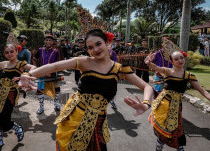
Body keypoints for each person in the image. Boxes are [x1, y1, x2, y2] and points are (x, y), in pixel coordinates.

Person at [19, 29, 154, 151]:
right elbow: (53, 66)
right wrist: (28, 75)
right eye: (90, 47)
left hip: (99, 121)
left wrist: (146, 104)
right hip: (75, 117)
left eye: (98, 44)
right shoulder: (84, 62)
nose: (95, 49)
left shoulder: (120, 69)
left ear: (107, 43)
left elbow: (147, 86)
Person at [127, 50, 210, 151]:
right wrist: (149, 63)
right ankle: (162, 145)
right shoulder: (168, 71)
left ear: (184, 58)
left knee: (175, 130)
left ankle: (169, 146)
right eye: (176, 59)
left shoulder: (189, 75)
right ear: (172, 61)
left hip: (176, 107)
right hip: (163, 105)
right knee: (164, 129)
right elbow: (156, 68)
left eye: (181, 58)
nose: (180, 60)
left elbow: (203, 91)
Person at [0, 43, 36, 151]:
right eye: (7, 52)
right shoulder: (4, 63)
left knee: (4, 118)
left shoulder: (21, 64)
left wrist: (25, 75)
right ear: (4, 54)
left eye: (12, 51)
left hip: (10, 94)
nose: (9, 54)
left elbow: (34, 67)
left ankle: (18, 128)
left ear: (16, 52)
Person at [34, 34, 62, 114]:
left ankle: (56, 104)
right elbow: (34, 58)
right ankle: (41, 107)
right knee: (40, 90)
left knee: (57, 90)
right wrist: (36, 69)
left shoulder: (56, 51)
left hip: (52, 74)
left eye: (50, 40)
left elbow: (58, 64)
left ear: (53, 42)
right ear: (44, 41)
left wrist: (50, 72)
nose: (48, 41)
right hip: (42, 74)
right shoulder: (40, 50)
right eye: (46, 40)